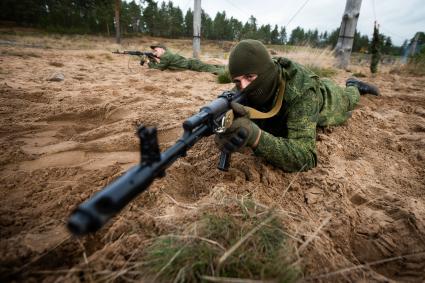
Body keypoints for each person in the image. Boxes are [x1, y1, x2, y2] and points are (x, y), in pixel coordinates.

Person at [215, 39, 380, 172]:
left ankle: (354, 85)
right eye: (237, 81)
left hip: (327, 98)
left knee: (349, 99)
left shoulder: (302, 92)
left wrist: (256, 137)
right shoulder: (245, 89)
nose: (243, 86)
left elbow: (306, 157)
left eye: (250, 77)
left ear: (265, 73)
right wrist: (224, 127)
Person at [147, 44, 225, 75]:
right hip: (192, 64)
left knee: (212, 70)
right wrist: (153, 59)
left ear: (161, 49)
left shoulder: (167, 56)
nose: (154, 52)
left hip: (192, 65)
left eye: (156, 50)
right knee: (211, 67)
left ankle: (229, 72)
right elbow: (161, 63)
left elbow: (159, 68)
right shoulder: (166, 55)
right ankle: (226, 68)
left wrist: (148, 62)